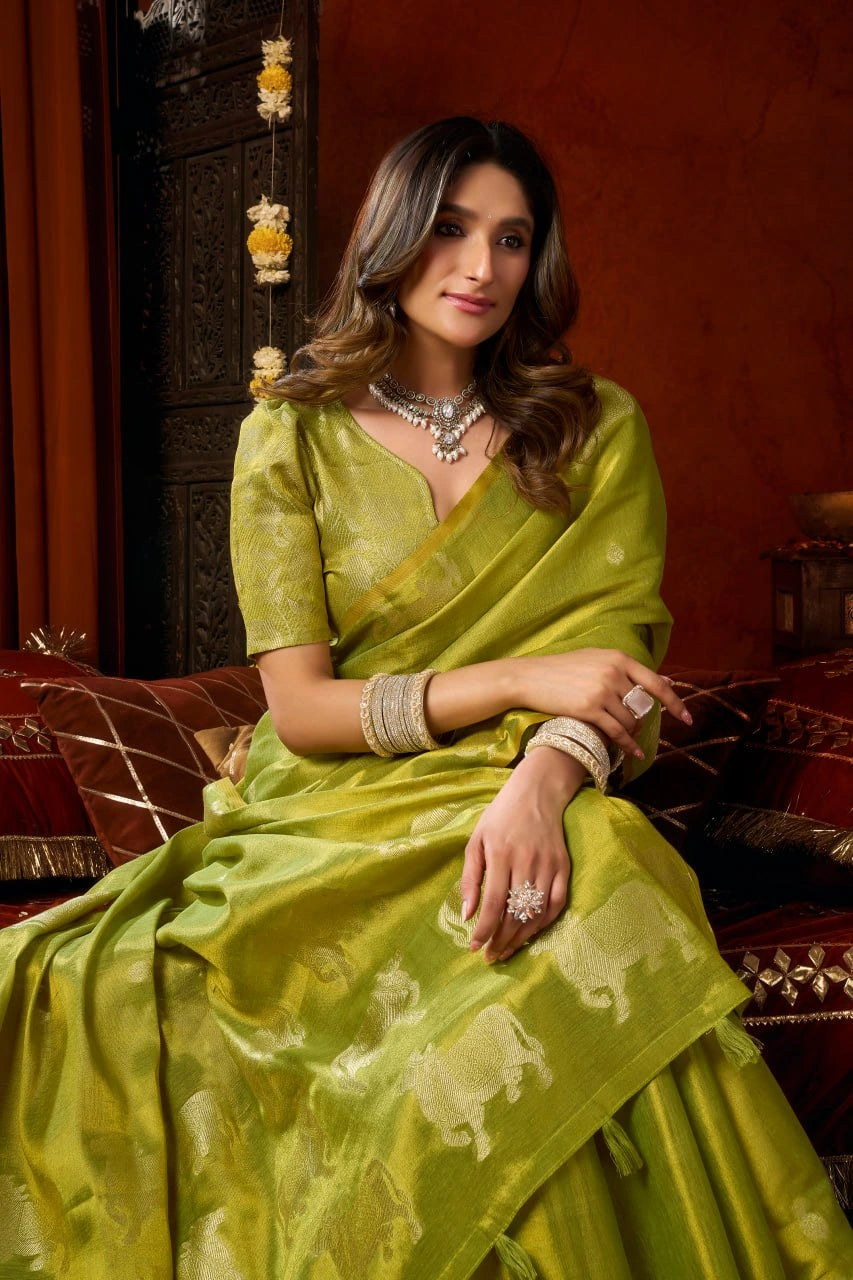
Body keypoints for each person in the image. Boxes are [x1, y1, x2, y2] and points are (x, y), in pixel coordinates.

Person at [0, 116, 850, 1279]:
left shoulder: (595, 430)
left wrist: (542, 785)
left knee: (609, 870)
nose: (481, 266)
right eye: (451, 229)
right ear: (392, 237)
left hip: (530, 779)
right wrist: (511, 675)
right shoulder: (288, 434)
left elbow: (613, 673)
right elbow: (299, 708)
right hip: (330, 812)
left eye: (512, 238)